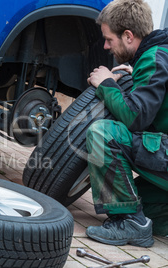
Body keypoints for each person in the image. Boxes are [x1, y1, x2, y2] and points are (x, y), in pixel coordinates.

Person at [86, 0, 168, 247]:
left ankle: (131, 223)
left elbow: (136, 117)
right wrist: (139, 75)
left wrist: (107, 84)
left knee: (102, 133)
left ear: (129, 36)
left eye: (109, 39)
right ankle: (139, 218)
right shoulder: (160, 54)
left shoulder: (155, 58)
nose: (106, 46)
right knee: (140, 202)